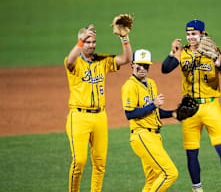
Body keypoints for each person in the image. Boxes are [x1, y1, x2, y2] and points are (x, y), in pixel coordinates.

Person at [161, 20, 221, 192]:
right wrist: (172, 53)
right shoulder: (183, 53)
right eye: (188, 34)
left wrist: (217, 61)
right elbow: (165, 69)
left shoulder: (213, 51)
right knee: (191, 153)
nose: (190, 37)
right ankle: (197, 189)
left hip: (211, 106)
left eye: (194, 34)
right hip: (190, 109)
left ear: (203, 34)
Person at [64, 24, 132, 192]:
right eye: (88, 42)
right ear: (81, 42)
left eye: (93, 42)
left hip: (100, 117)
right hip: (78, 117)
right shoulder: (73, 62)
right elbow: (70, 60)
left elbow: (126, 59)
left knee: (100, 163)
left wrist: (124, 38)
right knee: (79, 161)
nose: (92, 45)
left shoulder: (101, 60)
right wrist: (81, 40)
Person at [121, 49, 179, 192]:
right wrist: (153, 104)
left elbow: (155, 111)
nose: (143, 69)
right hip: (142, 136)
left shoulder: (151, 83)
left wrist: (173, 114)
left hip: (155, 137)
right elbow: (130, 114)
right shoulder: (130, 86)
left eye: (146, 66)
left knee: (152, 180)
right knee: (170, 173)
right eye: (139, 65)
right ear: (132, 65)